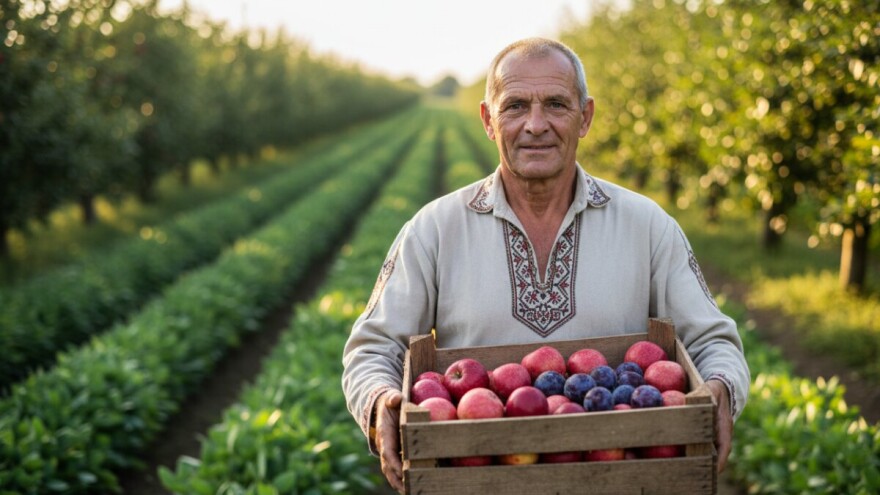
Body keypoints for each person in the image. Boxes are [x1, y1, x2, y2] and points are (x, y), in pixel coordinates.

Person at [342, 37, 749, 492]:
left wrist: (720, 386)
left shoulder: (648, 226)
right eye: (515, 106)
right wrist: (380, 400)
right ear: (488, 120)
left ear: (585, 117)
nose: (536, 125)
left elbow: (712, 340)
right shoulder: (433, 230)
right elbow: (373, 347)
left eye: (556, 104)